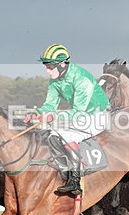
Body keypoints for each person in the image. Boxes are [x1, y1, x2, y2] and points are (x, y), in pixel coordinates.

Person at [25, 44, 110, 196]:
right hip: (82, 115)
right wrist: (36, 113)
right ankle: (64, 172)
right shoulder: (55, 80)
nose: (47, 70)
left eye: (50, 66)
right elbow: (50, 105)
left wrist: (52, 116)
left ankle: (75, 182)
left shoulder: (81, 78)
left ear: (62, 64)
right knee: (50, 134)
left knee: (65, 135)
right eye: (46, 66)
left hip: (97, 115)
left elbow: (79, 112)